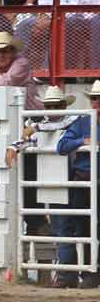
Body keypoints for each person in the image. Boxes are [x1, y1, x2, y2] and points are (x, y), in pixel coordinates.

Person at [56, 79, 100, 288]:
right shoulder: (83, 122)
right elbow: (62, 145)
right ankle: (87, 272)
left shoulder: (82, 121)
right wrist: (82, 142)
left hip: (87, 180)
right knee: (82, 226)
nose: (96, 103)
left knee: (85, 226)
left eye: (98, 99)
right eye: (94, 99)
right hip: (84, 181)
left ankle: (88, 271)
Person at [5, 85, 78, 169]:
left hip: (70, 168)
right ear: (44, 107)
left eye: (56, 106)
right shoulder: (42, 124)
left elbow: (61, 125)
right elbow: (31, 140)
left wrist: (36, 127)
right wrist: (14, 147)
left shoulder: (73, 119)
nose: (52, 110)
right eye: (48, 106)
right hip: (49, 169)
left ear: (64, 106)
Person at [0, 31, 43, 110]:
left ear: (14, 52)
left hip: (30, 113)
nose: (1, 55)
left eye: (5, 51)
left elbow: (8, 81)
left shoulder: (22, 63)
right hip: (6, 112)